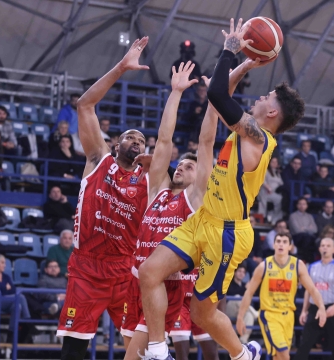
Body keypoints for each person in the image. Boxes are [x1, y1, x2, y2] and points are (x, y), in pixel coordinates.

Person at [139, 20, 305, 360]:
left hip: (227, 234)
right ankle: (157, 351)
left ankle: (244, 355)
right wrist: (244, 63)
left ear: (272, 112)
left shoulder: (258, 139)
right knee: (149, 272)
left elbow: (216, 94)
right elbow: (219, 98)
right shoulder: (248, 130)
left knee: (201, 315)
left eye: (266, 96)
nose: (260, 97)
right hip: (205, 220)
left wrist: (230, 50)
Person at [55, 39, 151, 360]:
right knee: (73, 349)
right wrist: (122, 67)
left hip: (125, 271)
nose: (136, 141)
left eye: (142, 140)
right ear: (115, 144)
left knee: (140, 348)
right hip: (87, 268)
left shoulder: (149, 179)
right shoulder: (98, 159)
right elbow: (85, 105)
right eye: (130, 137)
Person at [122, 63, 218, 360]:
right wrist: (175, 92)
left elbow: (206, 145)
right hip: (135, 282)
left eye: (189, 167)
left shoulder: (195, 198)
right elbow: (164, 141)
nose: (182, 168)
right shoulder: (157, 191)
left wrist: (214, 101)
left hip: (166, 285)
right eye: (181, 164)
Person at [236, 232, 327, 360]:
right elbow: (249, 292)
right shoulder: (264, 266)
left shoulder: (297, 265)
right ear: (273, 245)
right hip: (270, 315)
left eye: (284, 242)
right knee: (284, 355)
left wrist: (322, 307)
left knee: (278, 357)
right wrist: (240, 317)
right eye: (278, 241)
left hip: (288, 316)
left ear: (290, 246)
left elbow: (312, 289)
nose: (281, 244)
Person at [296, 237, 334, 360]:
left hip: (331, 310)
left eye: (328, 245)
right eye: (323, 245)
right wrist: (304, 310)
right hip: (314, 310)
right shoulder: (312, 267)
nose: (325, 247)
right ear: (319, 248)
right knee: (304, 346)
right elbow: (308, 291)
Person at [0, 253, 30, 341]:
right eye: (2, 263)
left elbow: (12, 290)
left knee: (17, 306)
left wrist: (0, 287)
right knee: (21, 297)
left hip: (7, 301)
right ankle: (28, 323)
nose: (4, 265)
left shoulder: (6, 277)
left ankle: (11, 335)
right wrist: (5, 288)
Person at [258, 157, 284, 223]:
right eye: (273, 162)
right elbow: (262, 180)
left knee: (281, 198)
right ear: (269, 162)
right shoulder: (266, 171)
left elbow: (281, 183)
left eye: (276, 162)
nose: (274, 163)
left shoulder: (277, 173)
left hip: (275, 192)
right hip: (266, 191)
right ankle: (263, 217)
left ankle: (275, 218)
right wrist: (268, 188)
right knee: (278, 198)